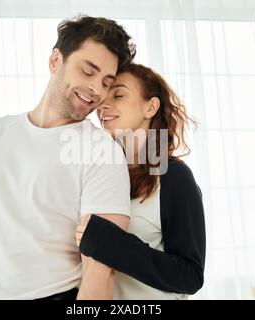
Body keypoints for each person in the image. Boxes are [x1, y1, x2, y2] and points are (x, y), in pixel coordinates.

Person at [0, 15, 136, 300]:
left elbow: (100, 270)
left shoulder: (102, 152)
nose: (96, 89)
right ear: (55, 61)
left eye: (106, 82)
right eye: (88, 71)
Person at [75, 63, 206, 299]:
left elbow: (190, 276)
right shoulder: (98, 172)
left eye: (119, 95)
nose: (103, 104)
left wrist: (112, 243)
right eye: (104, 95)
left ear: (150, 107)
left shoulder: (174, 177)